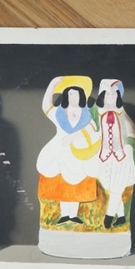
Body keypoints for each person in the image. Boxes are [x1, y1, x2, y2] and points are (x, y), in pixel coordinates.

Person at [37, 75, 100, 224]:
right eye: (70, 94)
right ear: (66, 96)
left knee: (77, 182)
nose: (73, 97)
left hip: (80, 151)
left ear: (81, 96)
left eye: (76, 94)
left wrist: (73, 137)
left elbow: (92, 128)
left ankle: (74, 214)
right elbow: (46, 107)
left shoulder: (87, 113)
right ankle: (65, 214)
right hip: (60, 149)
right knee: (62, 183)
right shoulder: (59, 112)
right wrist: (52, 85)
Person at [94, 79, 135, 229]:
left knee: (117, 188)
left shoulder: (122, 114)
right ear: (102, 95)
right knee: (111, 187)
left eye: (114, 94)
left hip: (121, 157)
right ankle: (121, 217)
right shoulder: (97, 113)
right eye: (107, 94)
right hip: (104, 157)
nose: (110, 97)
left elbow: (133, 131)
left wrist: (128, 145)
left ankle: (108, 217)